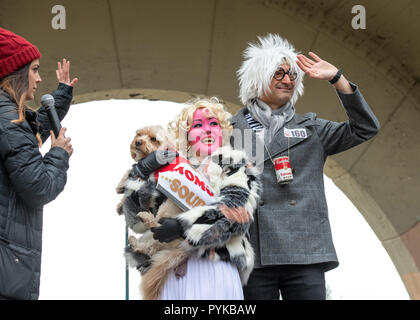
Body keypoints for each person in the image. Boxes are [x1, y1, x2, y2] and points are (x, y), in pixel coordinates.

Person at [230, 34, 380, 300]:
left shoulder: (311, 130)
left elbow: (365, 128)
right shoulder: (230, 131)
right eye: (278, 73)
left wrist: (337, 79)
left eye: (292, 75)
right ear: (257, 78)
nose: (288, 80)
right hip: (252, 254)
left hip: (305, 253)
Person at [127, 98, 262, 299]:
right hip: (167, 275)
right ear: (187, 135)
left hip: (214, 269)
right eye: (198, 125)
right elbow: (135, 222)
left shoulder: (236, 165)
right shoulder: (170, 168)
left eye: (213, 124)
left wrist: (182, 228)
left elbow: (236, 216)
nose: (207, 130)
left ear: (223, 131)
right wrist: (137, 176)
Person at [0, 27, 77, 300]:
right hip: (7, 267)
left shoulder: (7, 118)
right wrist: (59, 153)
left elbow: (26, 139)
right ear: (16, 73)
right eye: (33, 69)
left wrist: (63, 94)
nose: (39, 77)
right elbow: (39, 187)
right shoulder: (8, 120)